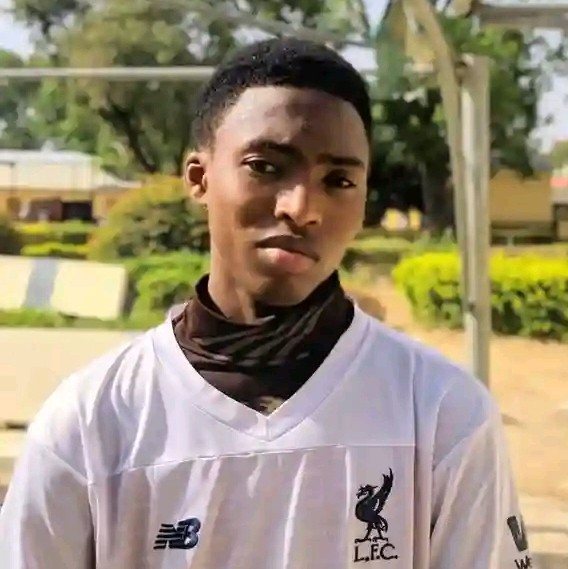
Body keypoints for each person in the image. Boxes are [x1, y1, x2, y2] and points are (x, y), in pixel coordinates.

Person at [0, 38, 533, 569]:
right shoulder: (92, 420)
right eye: (267, 166)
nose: (301, 207)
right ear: (199, 178)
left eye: (339, 180)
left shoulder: (441, 412)